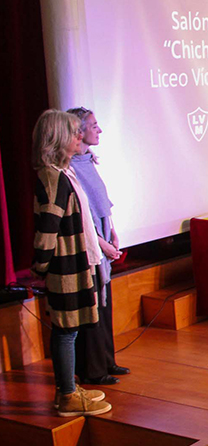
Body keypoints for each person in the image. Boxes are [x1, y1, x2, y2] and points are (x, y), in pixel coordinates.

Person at [30, 109, 111, 416]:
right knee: (65, 331)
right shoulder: (51, 177)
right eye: (74, 132)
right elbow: (48, 229)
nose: (80, 136)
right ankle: (66, 395)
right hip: (63, 266)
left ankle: (69, 387)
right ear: (58, 138)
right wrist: (40, 266)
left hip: (76, 261)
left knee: (72, 330)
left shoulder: (64, 173)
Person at [67, 107, 130, 385]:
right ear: (78, 132)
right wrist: (102, 244)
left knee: (105, 306)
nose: (99, 129)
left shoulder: (88, 161)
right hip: (88, 247)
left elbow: (101, 204)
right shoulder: (69, 168)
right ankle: (92, 369)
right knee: (93, 306)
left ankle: (107, 360)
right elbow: (83, 215)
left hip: (103, 242)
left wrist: (113, 232)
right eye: (93, 125)